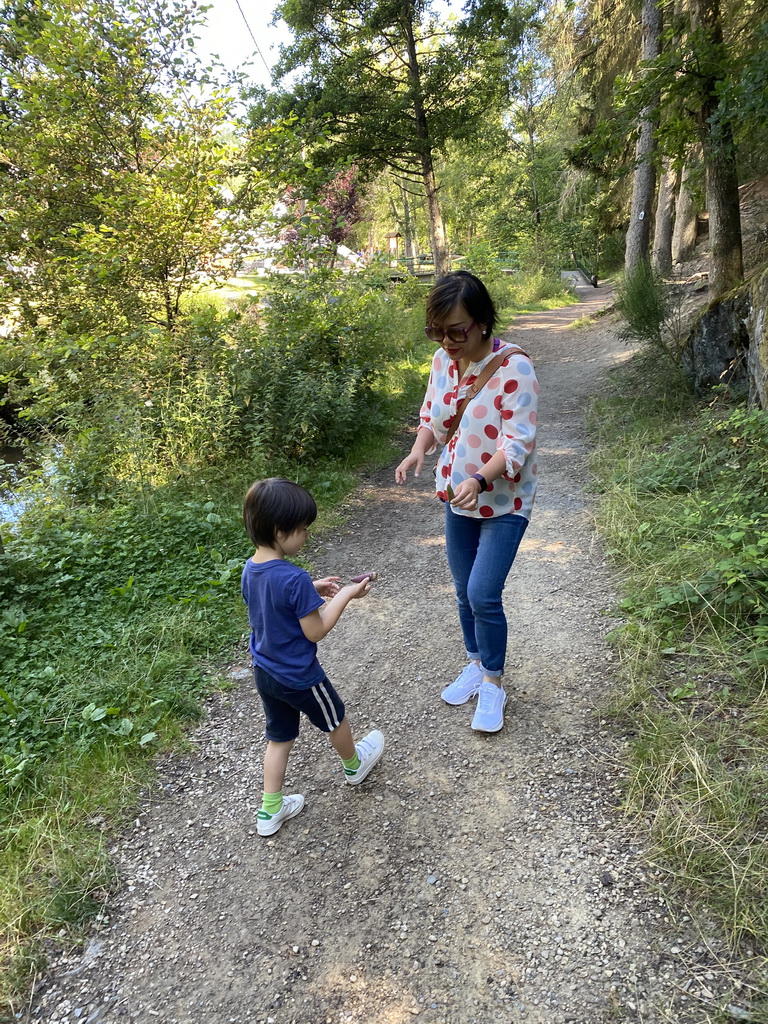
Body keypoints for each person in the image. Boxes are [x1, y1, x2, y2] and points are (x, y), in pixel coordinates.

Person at [395, 270, 538, 733]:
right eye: (436, 330)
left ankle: (494, 683)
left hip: (504, 501)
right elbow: (432, 418)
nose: (446, 340)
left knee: (482, 593)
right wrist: (419, 448)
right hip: (457, 495)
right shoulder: (442, 361)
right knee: (462, 590)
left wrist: (479, 478)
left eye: (455, 330)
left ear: (482, 321)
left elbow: (517, 445)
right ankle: (475, 664)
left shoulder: (515, 367)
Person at [241, 477, 385, 836]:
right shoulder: (293, 578)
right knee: (335, 718)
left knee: (279, 738)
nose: (306, 535)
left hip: (265, 671)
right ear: (279, 529)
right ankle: (354, 765)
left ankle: (269, 811)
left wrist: (313, 588)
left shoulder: (250, 569)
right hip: (300, 676)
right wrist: (346, 594)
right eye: (303, 529)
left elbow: (273, 604)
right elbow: (316, 630)